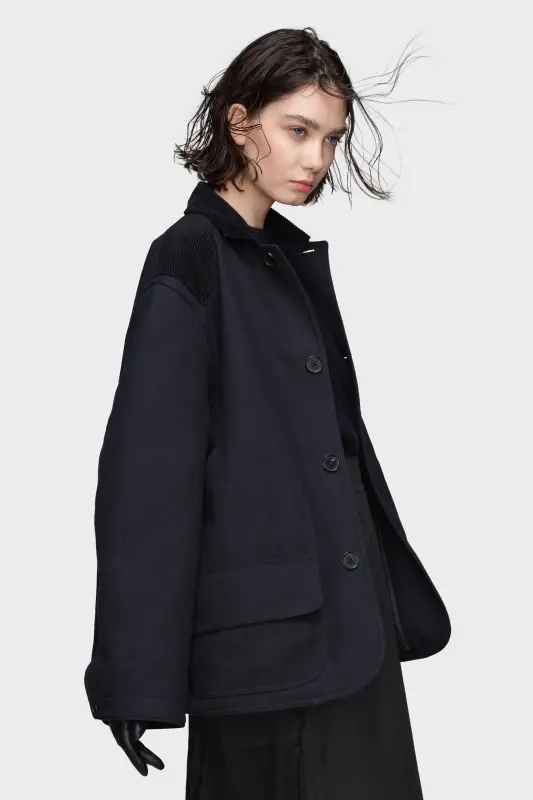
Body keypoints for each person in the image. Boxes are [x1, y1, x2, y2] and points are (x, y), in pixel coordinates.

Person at [84, 26, 451, 799]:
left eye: (330, 138)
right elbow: (149, 483)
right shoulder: (190, 258)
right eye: (297, 130)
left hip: (351, 637)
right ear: (239, 121)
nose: (316, 158)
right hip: (265, 657)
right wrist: (135, 676)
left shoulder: (284, 259)